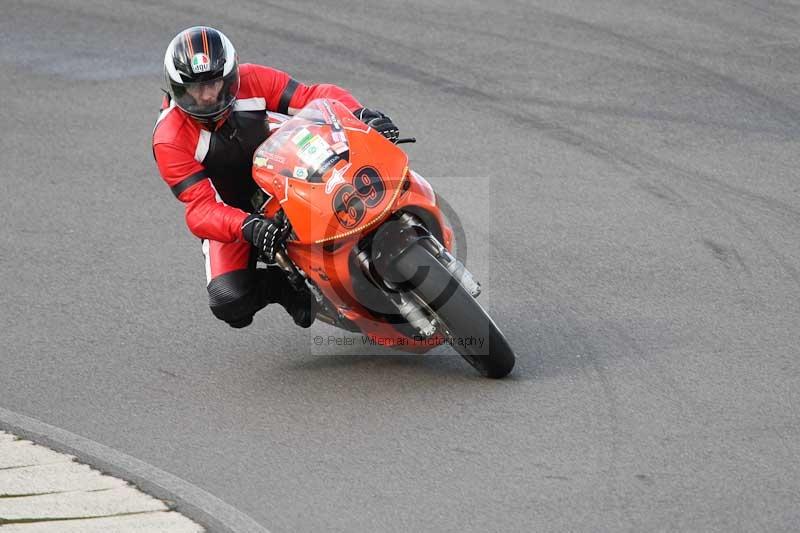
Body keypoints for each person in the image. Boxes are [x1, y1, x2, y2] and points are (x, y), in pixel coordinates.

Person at [153, 26, 399, 329]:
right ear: (177, 89)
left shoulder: (253, 78)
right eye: (195, 88)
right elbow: (199, 208)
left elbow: (313, 97)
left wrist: (360, 115)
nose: (206, 96)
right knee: (229, 301)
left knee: (354, 157)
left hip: (294, 170)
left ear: (230, 76)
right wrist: (246, 226)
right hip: (238, 211)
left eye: (214, 83)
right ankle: (282, 286)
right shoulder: (169, 139)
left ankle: (395, 204)